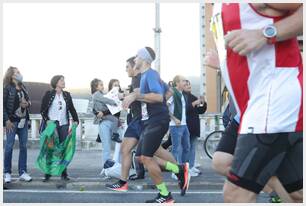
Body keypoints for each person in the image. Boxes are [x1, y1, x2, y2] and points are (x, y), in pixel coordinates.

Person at [210, 3, 303, 202]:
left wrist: (266, 33)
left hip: (272, 102)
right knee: (296, 194)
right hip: (256, 107)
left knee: (236, 195)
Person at [122, 47, 190, 203]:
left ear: (144, 59)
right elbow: (168, 92)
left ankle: (165, 195)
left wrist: (136, 95)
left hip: (157, 121)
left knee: (146, 158)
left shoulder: (150, 75)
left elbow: (159, 96)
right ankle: (178, 169)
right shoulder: (151, 76)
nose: (135, 59)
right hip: (151, 120)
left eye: (137, 56)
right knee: (140, 157)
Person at [40, 75, 79, 181]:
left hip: (64, 124)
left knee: (63, 149)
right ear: (56, 82)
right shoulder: (48, 94)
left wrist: (76, 120)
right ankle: (48, 173)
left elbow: (72, 109)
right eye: (61, 80)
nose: (64, 82)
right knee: (50, 148)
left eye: (63, 80)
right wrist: (47, 120)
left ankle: (64, 173)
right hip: (52, 125)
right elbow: (42, 110)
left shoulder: (66, 95)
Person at [3, 66, 32, 183]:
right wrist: (6, 120)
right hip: (12, 122)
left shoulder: (23, 87)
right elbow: (2, 105)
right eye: (17, 72)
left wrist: (27, 104)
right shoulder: (7, 88)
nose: (19, 74)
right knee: (9, 147)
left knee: (23, 146)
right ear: (11, 75)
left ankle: (23, 172)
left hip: (23, 121)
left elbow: (29, 101)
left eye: (19, 72)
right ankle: (7, 172)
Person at [183, 80, 207, 177]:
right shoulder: (182, 96)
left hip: (194, 125)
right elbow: (183, 110)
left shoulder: (193, 97)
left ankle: (191, 166)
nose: (189, 86)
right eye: (186, 84)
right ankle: (186, 168)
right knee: (187, 148)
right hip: (186, 125)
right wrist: (194, 103)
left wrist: (203, 103)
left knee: (192, 147)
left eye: (189, 84)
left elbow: (200, 111)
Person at [167, 75, 190, 170]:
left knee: (187, 147)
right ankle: (175, 170)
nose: (186, 83)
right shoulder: (172, 92)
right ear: (177, 83)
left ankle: (183, 169)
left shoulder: (182, 94)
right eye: (183, 81)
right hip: (175, 126)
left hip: (184, 125)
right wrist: (174, 118)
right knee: (176, 149)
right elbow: (165, 107)